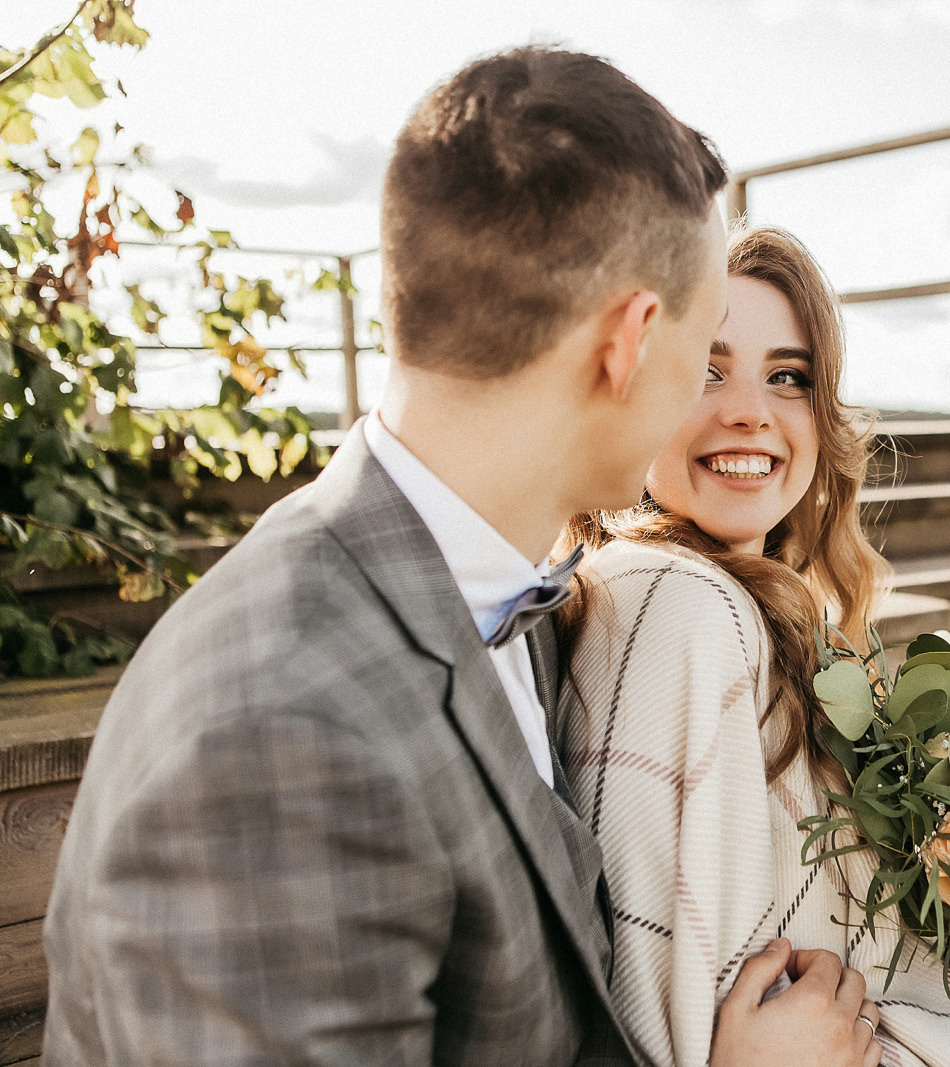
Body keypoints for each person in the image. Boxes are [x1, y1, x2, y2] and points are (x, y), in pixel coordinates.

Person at [43, 50, 878, 1067]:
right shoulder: (282, 731)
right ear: (631, 340)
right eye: (704, 346)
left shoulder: (497, 594)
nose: (733, 401)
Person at [555, 226, 950, 1067]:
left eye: (788, 377)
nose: (750, 409)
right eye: (706, 370)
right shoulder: (668, 602)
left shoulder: (783, 614)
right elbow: (685, 1025)